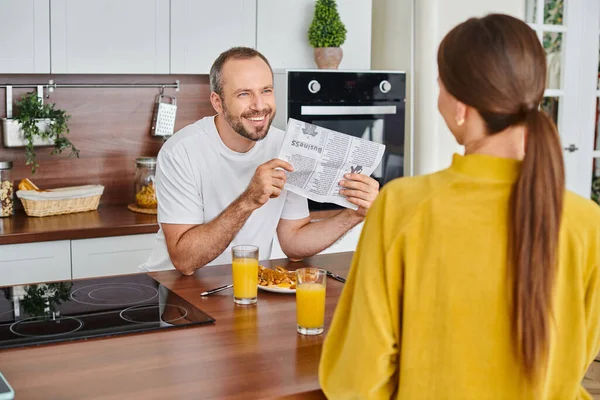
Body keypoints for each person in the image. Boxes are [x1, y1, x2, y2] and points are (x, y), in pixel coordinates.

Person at [319, 14, 600, 399]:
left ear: (461, 107)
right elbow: (572, 364)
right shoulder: (589, 224)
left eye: (440, 86)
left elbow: (354, 382)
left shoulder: (401, 207)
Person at [140, 47, 379, 275]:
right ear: (217, 102)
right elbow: (185, 261)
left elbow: (293, 242)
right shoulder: (181, 151)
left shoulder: (286, 147)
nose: (259, 106)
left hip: (244, 289)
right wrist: (249, 199)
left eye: (266, 90)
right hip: (174, 292)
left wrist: (355, 214)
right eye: (244, 94)